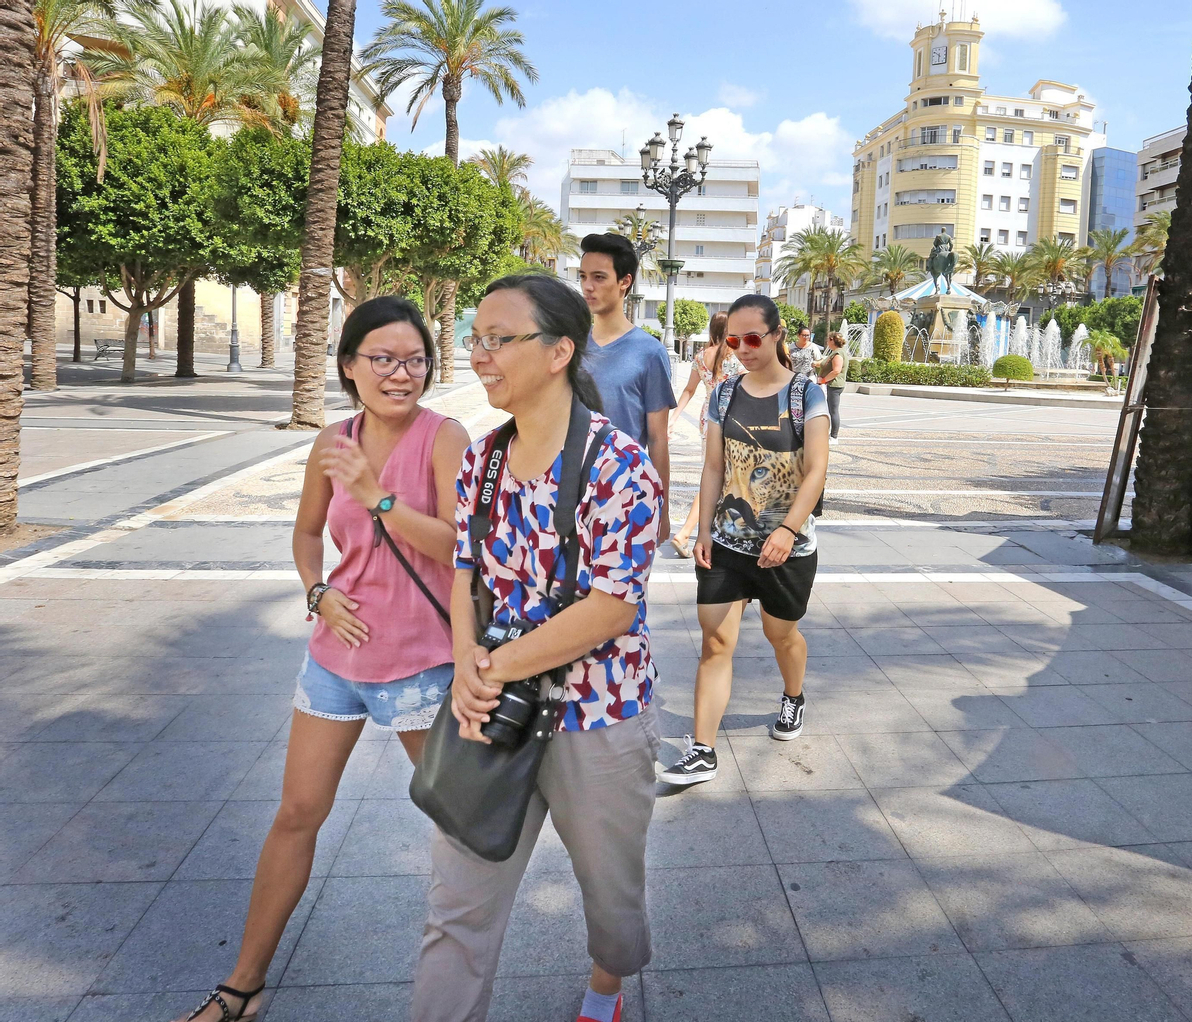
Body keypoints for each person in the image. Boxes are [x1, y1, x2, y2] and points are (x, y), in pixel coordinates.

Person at [178, 297, 468, 1022]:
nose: (402, 374)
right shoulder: (332, 440)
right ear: (349, 366)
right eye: (384, 359)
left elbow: (464, 549)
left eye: (414, 359)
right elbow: (308, 534)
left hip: (419, 663)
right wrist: (317, 594)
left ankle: (455, 990)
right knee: (297, 813)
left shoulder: (444, 436)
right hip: (335, 658)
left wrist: (378, 497)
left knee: (458, 824)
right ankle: (242, 985)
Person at [410, 274, 664, 1022]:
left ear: (559, 351)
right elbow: (465, 568)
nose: (478, 355)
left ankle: (603, 992)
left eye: (498, 339)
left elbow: (612, 608)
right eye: (474, 339)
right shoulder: (483, 459)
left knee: (611, 905)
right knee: (455, 910)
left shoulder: (619, 465)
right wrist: (465, 665)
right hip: (492, 710)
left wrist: (489, 669)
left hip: (600, 717)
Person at [660, 294, 829, 785]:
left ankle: (793, 696)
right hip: (729, 544)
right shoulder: (724, 393)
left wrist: (787, 528)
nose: (742, 349)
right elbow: (714, 467)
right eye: (733, 340)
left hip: (788, 549)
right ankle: (702, 751)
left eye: (753, 338)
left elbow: (816, 469)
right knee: (716, 642)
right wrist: (705, 529)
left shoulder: (805, 394)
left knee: (782, 635)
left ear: (777, 334)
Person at [576, 232, 674, 544]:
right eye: (583, 277)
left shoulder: (649, 352)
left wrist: (663, 508)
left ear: (624, 282)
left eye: (599, 277)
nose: (588, 286)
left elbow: (658, 439)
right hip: (567, 492)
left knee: (620, 592)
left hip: (625, 496)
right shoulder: (570, 347)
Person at [665, 311, 743, 557]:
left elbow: (688, 390)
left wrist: (674, 418)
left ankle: (708, 532)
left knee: (713, 475)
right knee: (720, 479)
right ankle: (687, 532)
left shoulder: (700, 356)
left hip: (708, 421)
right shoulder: (737, 356)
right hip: (734, 420)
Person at [815, 331, 849, 445]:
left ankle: (834, 437)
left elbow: (836, 371)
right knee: (831, 410)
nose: (827, 342)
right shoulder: (835, 352)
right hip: (832, 385)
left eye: (828, 339)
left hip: (834, 385)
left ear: (832, 340)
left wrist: (824, 380)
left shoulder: (838, 354)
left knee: (833, 411)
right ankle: (830, 434)